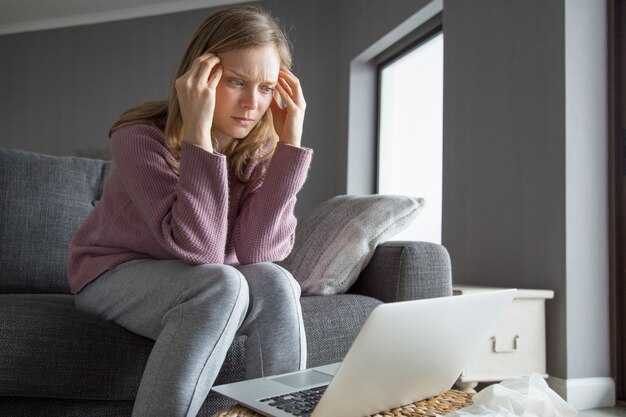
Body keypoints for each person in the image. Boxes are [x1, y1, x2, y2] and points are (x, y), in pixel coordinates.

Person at [67, 5, 311, 417]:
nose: (253, 103)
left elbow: (258, 251)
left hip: (204, 276)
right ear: (199, 78)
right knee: (221, 285)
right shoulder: (139, 138)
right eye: (236, 82)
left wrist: (289, 147)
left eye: (267, 88)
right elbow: (200, 250)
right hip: (114, 273)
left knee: (276, 280)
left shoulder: (259, 149)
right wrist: (199, 136)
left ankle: (283, 413)